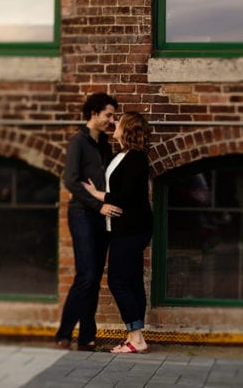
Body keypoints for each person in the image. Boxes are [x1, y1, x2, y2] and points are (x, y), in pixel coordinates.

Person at [55, 92, 122, 351]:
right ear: (93, 114)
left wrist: (104, 201)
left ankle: (85, 337)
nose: (111, 120)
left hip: (101, 216)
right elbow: (70, 180)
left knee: (94, 278)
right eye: (108, 115)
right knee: (87, 274)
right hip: (83, 214)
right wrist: (98, 204)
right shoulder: (78, 143)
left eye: (114, 116)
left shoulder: (105, 146)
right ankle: (65, 332)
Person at [82, 111, 153, 353]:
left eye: (119, 121)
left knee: (118, 280)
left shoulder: (137, 158)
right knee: (131, 281)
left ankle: (136, 337)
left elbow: (126, 196)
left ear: (128, 128)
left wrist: (97, 196)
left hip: (133, 229)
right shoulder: (120, 155)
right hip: (122, 229)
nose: (115, 123)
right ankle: (136, 337)